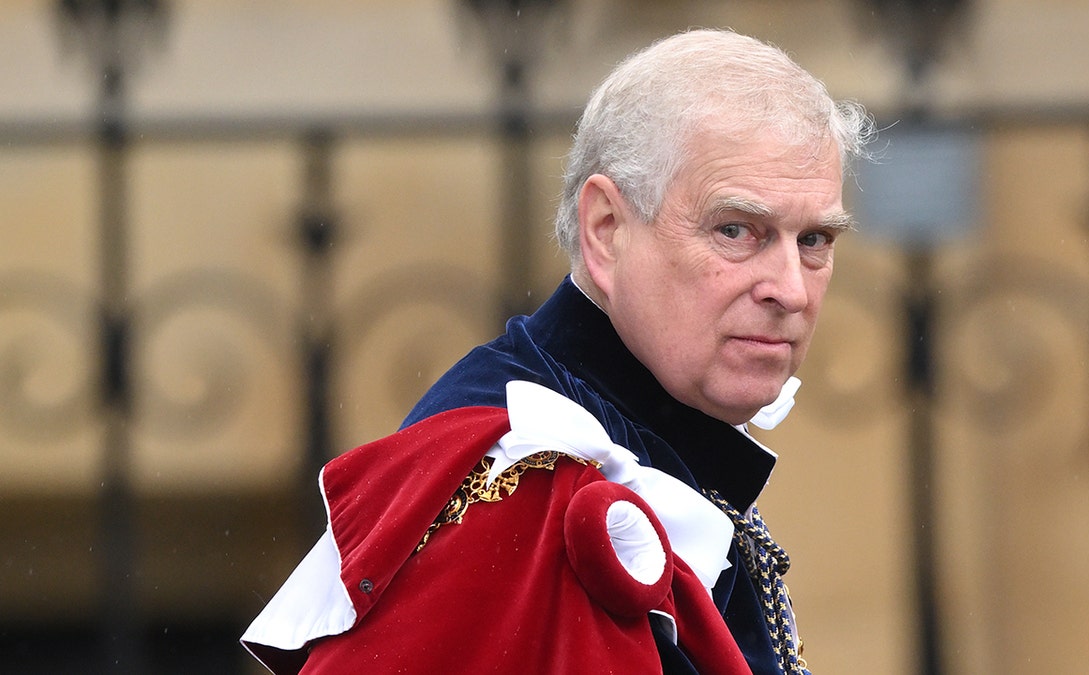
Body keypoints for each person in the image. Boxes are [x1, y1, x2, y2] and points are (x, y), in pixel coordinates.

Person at [242, 27, 871, 675]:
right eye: (736, 230)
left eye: (815, 239)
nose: (790, 289)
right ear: (606, 230)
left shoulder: (660, 438)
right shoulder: (520, 481)